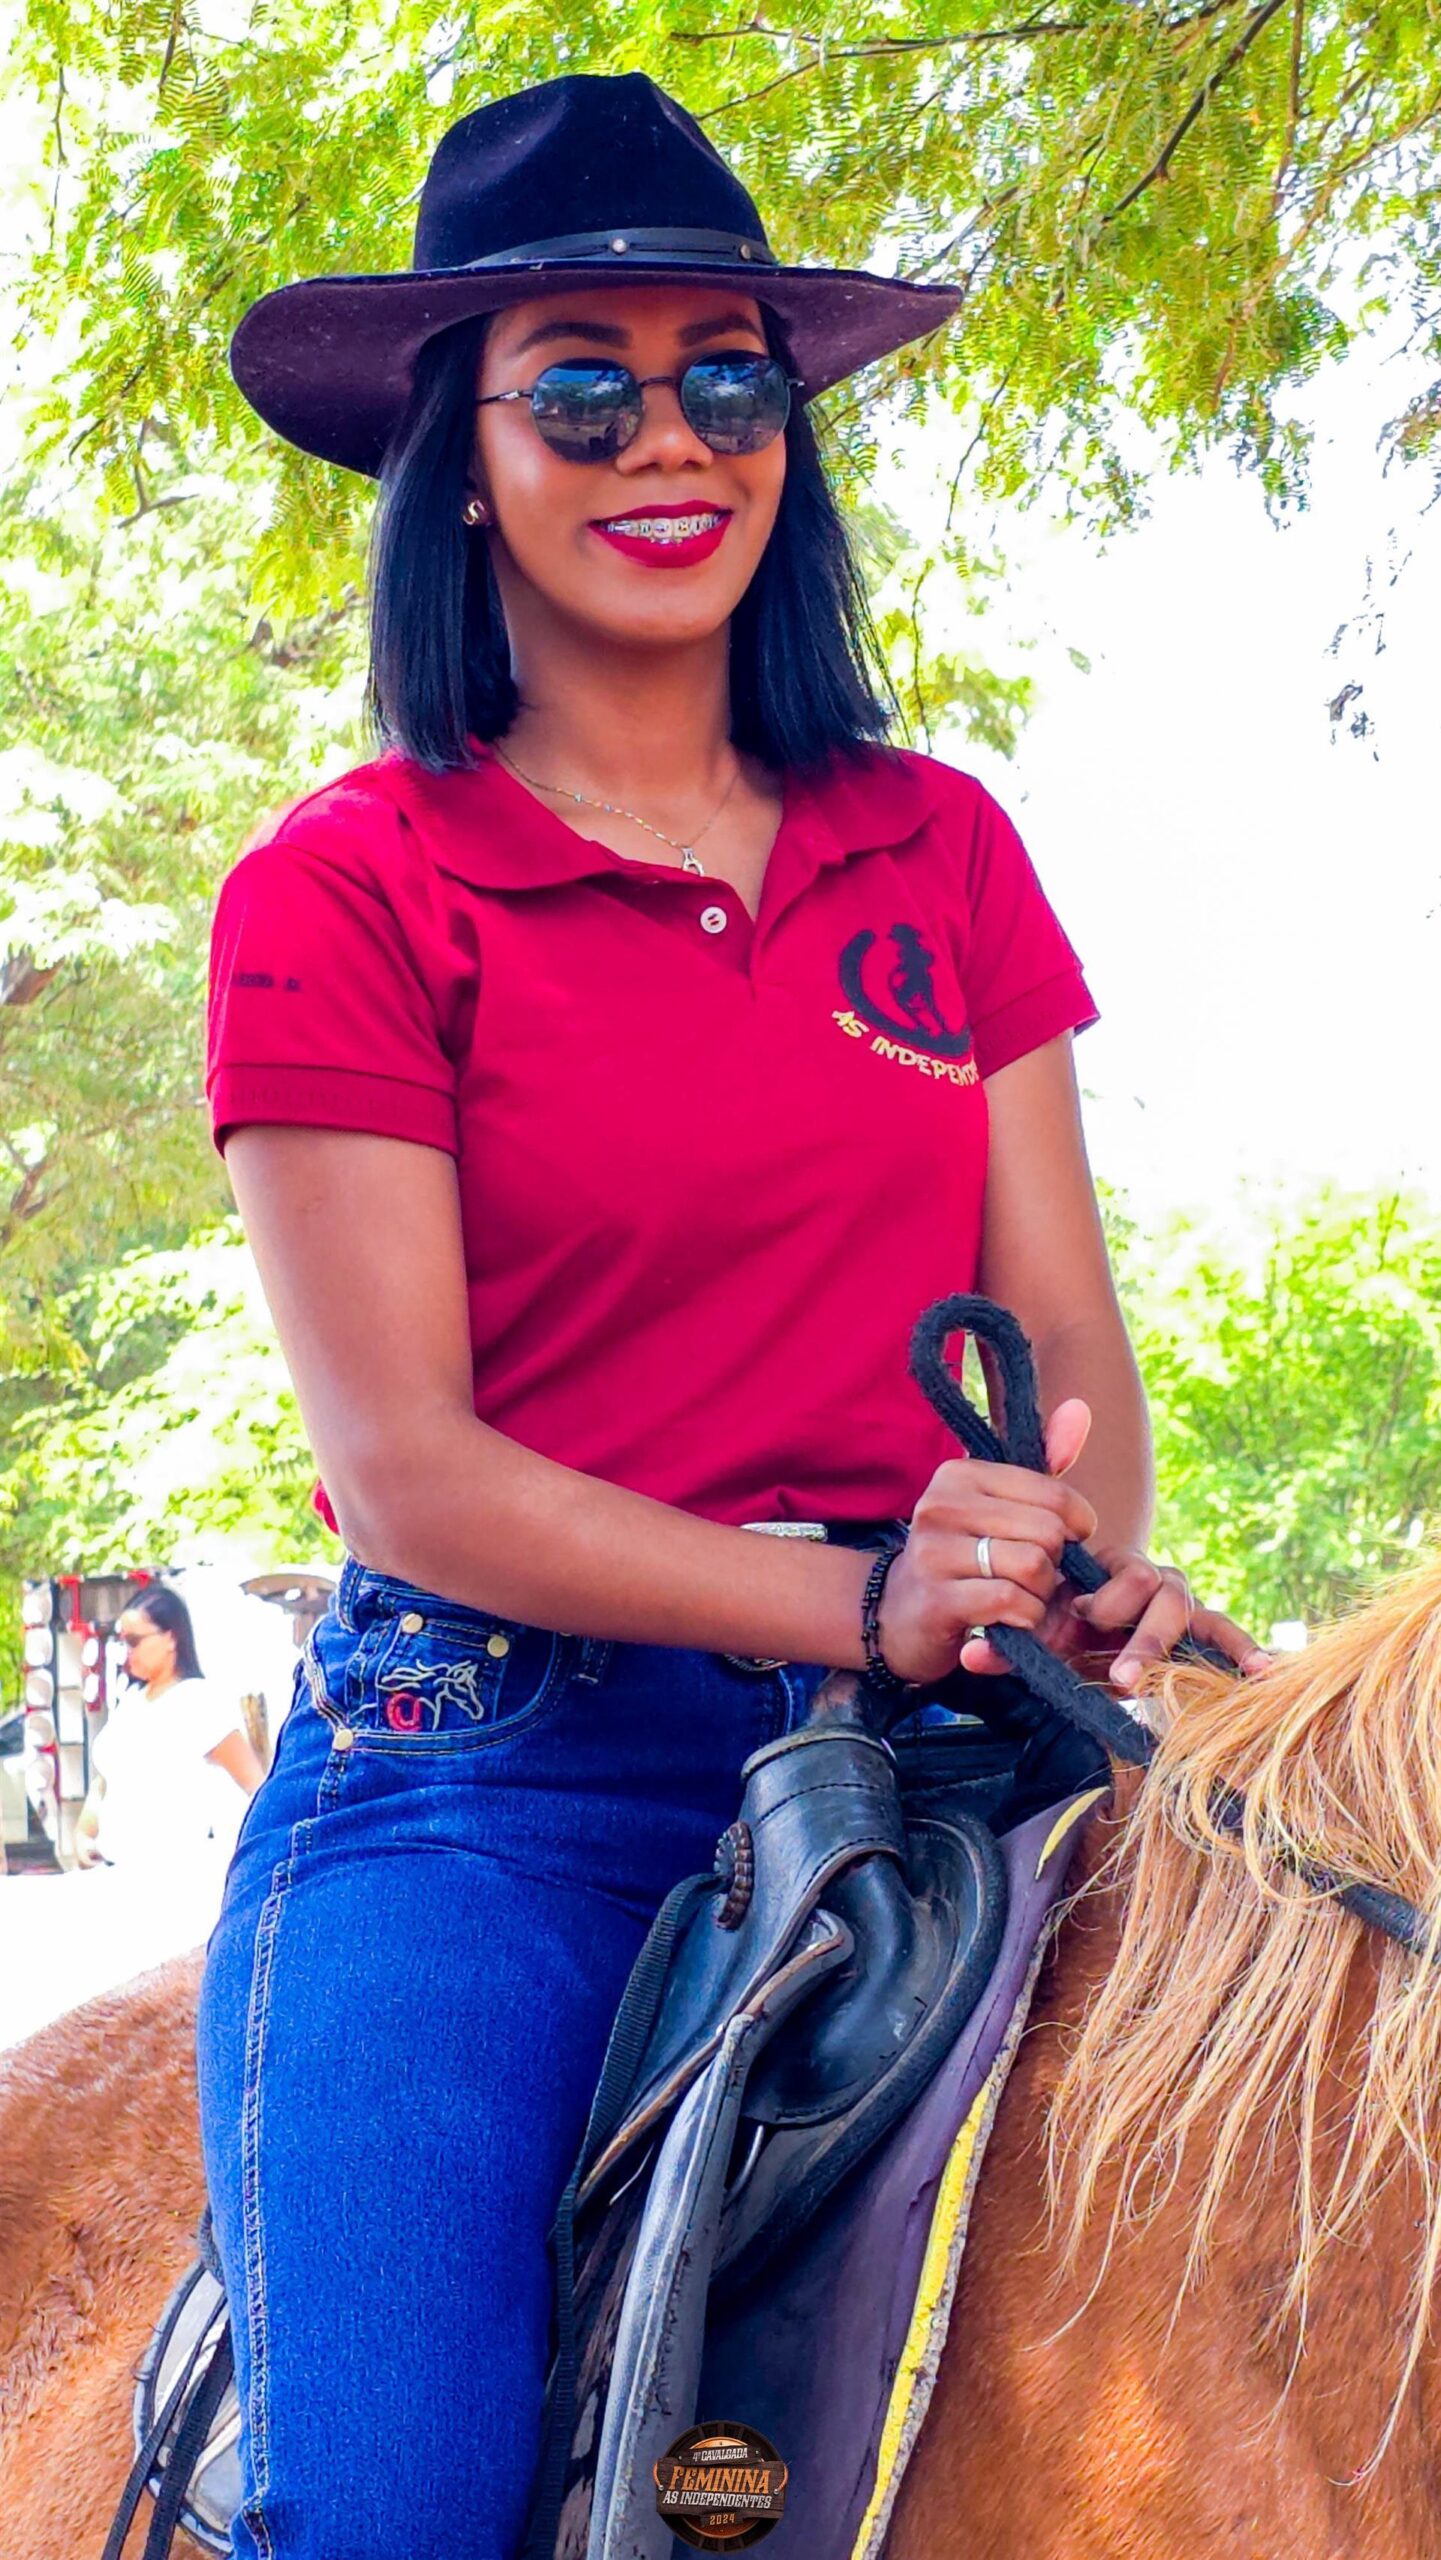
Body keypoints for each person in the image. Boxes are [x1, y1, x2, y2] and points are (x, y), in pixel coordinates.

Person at [197, 70, 1269, 2560]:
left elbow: (1058, 1352)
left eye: (726, 380)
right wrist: (861, 1598)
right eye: (578, 389)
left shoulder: (936, 845)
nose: (666, 440)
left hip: (941, 1741)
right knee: (386, 2502)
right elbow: (407, 1471)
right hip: (498, 1773)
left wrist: (1058, 1557)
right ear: (461, 464)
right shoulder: (345, 890)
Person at [75, 1584, 264, 1876]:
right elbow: (105, 1781)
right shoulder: (130, 1702)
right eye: (122, 1642)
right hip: (115, 1871)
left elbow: (255, 1786)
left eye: (134, 1641)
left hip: (178, 1875)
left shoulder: (199, 1700)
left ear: (171, 1638)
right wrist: (83, 1836)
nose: (126, 1652)